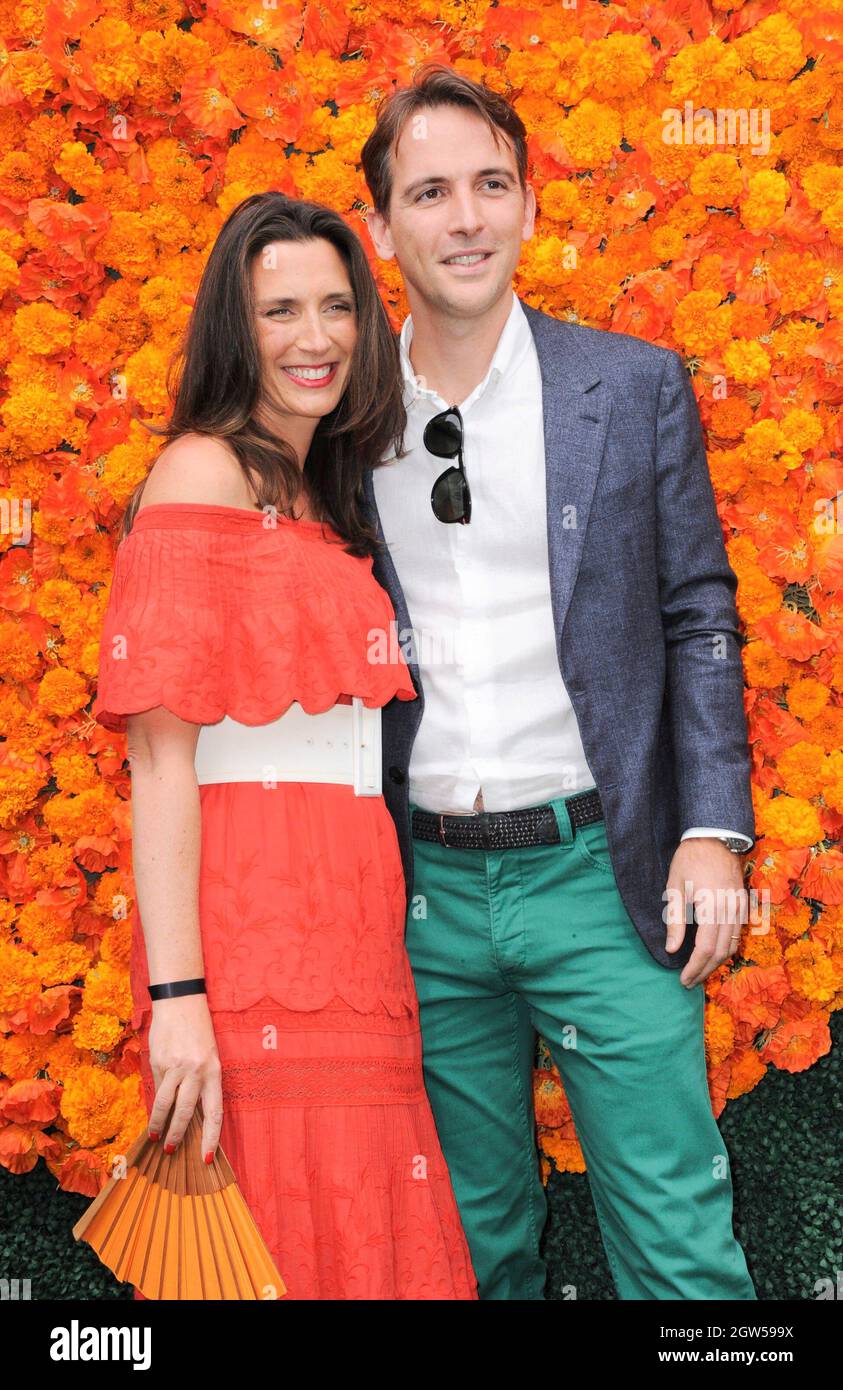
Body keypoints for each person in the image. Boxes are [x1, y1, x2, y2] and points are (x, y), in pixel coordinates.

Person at [356, 63, 759, 1300]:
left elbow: (699, 613)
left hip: (606, 874)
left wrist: (713, 830)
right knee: (464, 1251)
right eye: (429, 191)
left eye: (490, 184)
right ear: (380, 227)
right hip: (418, 900)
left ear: (531, 205)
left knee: (680, 1249)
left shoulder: (630, 387)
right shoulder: (336, 414)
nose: (464, 217)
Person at [92, 191, 477, 1301]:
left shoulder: (327, 488)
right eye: (278, 311)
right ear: (234, 326)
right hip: (251, 932)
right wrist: (177, 998)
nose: (315, 338)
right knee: (266, 1237)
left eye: (337, 307)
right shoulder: (199, 475)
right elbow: (161, 762)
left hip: (357, 925)